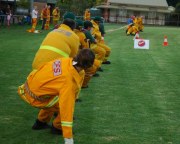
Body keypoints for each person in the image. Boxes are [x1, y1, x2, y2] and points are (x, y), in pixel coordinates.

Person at [18, 49, 95, 144]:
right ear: (89, 66)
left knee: (54, 95)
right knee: (63, 104)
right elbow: (66, 108)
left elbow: (44, 67)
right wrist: (68, 138)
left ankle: (41, 122)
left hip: (28, 88)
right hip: (35, 98)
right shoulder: (68, 82)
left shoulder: (65, 60)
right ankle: (57, 127)